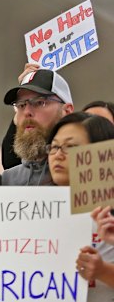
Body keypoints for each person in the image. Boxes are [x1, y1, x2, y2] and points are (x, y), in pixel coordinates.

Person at [44, 112, 114, 300]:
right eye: (55, 146)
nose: (58, 155)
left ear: (101, 153)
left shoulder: (108, 218)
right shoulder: (34, 211)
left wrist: (103, 271)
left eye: (70, 147)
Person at [1, 68, 74, 185]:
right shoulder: (7, 181)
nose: (27, 112)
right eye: (21, 105)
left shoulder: (85, 174)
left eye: (39, 102)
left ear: (67, 111)